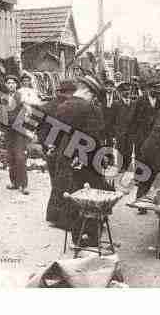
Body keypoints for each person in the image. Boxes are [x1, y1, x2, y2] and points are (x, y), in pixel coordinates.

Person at [47, 75, 108, 246]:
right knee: (89, 196)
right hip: (84, 158)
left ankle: (76, 235)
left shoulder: (63, 105)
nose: (94, 98)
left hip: (66, 155)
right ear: (89, 92)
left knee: (71, 194)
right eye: (93, 94)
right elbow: (93, 136)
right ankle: (88, 235)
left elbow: (56, 132)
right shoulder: (89, 108)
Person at [128, 78, 160, 213]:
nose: (158, 91)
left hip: (157, 142)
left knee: (157, 172)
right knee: (143, 172)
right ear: (149, 89)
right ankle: (141, 204)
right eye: (156, 89)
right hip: (142, 142)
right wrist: (135, 139)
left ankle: (155, 203)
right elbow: (132, 121)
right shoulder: (139, 101)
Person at [40, 80, 77, 192]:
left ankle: (59, 202)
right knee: (69, 182)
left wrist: (47, 145)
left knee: (56, 182)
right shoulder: (76, 107)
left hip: (53, 149)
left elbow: (41, 131)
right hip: (68, 149)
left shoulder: (46, 107)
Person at [4, 75, 29, 195]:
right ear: (6, 85)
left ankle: (24, 185)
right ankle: (14, 182)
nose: (11, 85)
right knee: (10, 157)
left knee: (20, 157)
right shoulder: (3, 98)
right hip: (8, 132)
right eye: (8, 83)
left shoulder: (20, 97)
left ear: (16, 85)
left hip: (19, 131)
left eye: (13, 83)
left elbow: (25, 113)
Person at [107, 82, 136, 173]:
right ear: (121, 92)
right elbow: (112, 119)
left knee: (130, 148)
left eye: (129, 90)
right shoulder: (116, 104)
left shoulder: (134, 103)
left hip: (130, 131)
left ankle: (128, 165)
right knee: (121, 148)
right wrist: (113, 132)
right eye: (125, 91)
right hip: (120, 131)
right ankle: (121, 166)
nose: (127, 92)